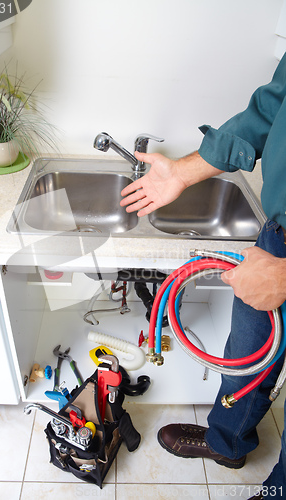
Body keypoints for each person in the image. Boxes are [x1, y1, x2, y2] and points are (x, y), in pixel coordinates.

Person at [120, 53, 286, 499]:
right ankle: (227, 442)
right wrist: (182, 172)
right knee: (247, 356)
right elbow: (268, 111)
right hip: (278, 234)